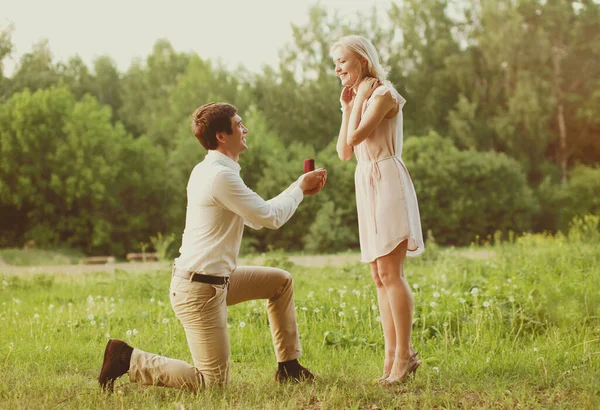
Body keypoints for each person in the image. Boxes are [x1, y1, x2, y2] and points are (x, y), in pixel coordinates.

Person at [98, 102, 327, 392]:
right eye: (239, 124)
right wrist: (299, 188)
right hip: (199, 290)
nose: (245, 129)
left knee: (280, 282)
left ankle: (289, 368)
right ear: (222, 135)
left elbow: (257, 218)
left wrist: (298, 188)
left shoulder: (214, 170)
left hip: (218, 279)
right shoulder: (220, 176)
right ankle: (128, 358)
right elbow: (270, 218)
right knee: (211, 384)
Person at [330, 35, 425, 385]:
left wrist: (354, 106)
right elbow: (343, 152)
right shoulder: (358, 98)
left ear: (362, 61)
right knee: (378, 275)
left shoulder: (384, 94)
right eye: (335, 63)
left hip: (386, 179)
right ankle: (391, 357)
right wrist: (346, 106)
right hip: (365, 181)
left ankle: (405, 355)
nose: (338, 68)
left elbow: (356, 138)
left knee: (391, 272)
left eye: (342, 61)